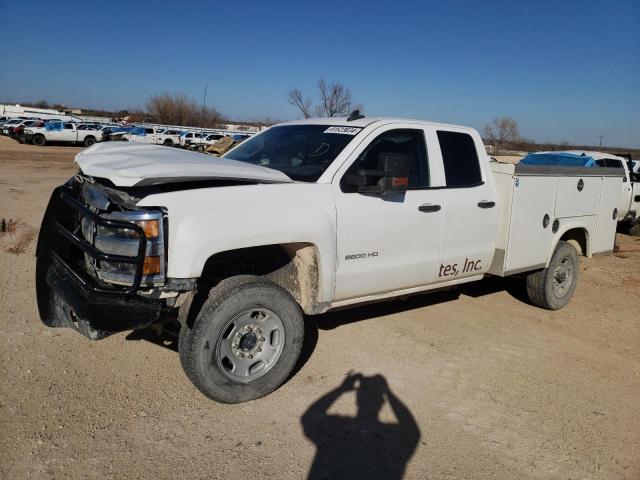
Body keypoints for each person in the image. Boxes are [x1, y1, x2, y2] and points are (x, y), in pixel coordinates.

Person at [302, 372, 420, 480]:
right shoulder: (390, 433)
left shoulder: (339, 427)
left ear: (357, 400)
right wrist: (388, 392)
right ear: (382, 402)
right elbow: (412, 431)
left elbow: (308, 418)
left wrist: (341, 389)